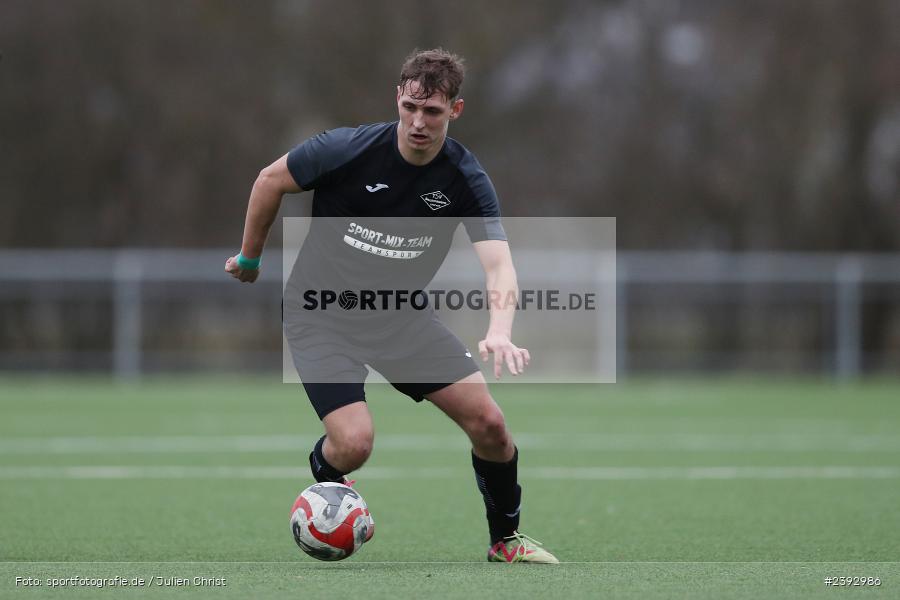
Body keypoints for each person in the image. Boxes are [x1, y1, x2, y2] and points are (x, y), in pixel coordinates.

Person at [225, 48, 558, 564]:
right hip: (321, 314)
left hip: (399, 317)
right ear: (397, 99)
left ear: (456, 110)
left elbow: (498, 265)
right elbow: (270, 180)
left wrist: (500, 329)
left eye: (433, 112)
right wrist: (250, 257)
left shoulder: (464, 179)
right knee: (354, 443)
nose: (418, 122)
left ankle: (505, 541)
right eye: (410, 108)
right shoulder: (346, 149)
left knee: (491, 425)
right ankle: (326, 481)